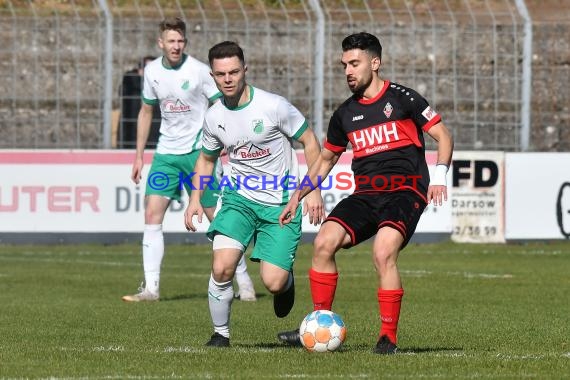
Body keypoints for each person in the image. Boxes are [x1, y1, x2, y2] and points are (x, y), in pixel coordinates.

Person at [276, 32, 454, 354]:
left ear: (375, 63)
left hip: (405, 190)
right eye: (344, 64)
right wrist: (297, 196)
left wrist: (439, 176)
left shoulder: (404, 99)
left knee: (383, 252)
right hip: (365, 194)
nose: (348, 71)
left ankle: (388, 338)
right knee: (323, 243)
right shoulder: (344, 114)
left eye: (354, 63)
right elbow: (326, 159)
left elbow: (443, 136)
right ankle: (318, 322)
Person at [184, 41, 325, 347]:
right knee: (222, 266)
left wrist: (311, 191)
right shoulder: (214, 116)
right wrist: (195, 198)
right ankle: (220, 334)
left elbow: (311, 141)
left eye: (234, 71)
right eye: (221, 74)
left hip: (281, 204)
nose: (228, 78)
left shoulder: (273, 106)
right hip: (239, 201)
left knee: (273, 282)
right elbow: (207, 159)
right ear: (213, 76)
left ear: (245, 70)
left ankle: (286, 284)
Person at [122, 18, 256, 303]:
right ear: (161, 43)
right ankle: (151, 289)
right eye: (171, 41)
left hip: (198, 154)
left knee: (218, 220)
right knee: (151, 215)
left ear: (185, 42)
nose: (176, 46)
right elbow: (146, 112)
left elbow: (222, 104)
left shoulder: (198, 71)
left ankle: (244, 282)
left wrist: (224, 141)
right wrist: (138, 156)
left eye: (180, 41)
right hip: (166, 155)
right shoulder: (152, 71)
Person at [118, 56, 161, 149]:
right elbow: (125, 88)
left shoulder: (163, 84)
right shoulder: (131, 80)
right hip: (132, 136)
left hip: (155, 138)